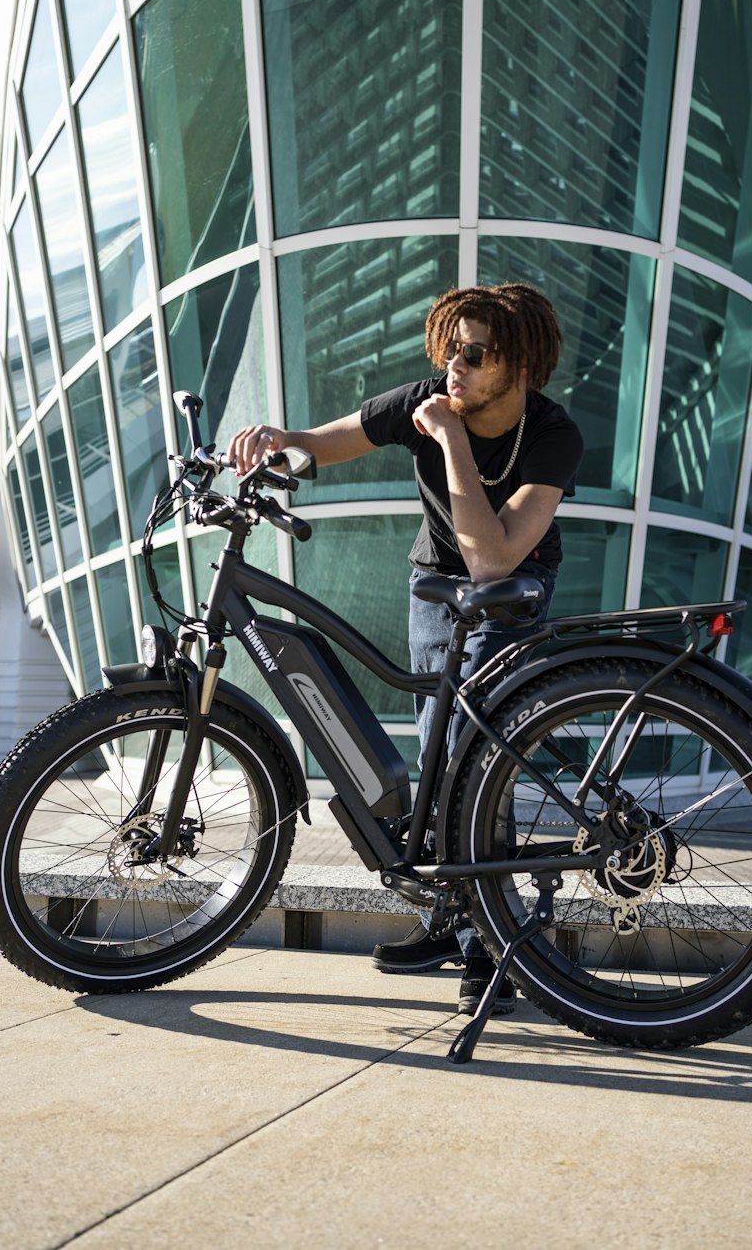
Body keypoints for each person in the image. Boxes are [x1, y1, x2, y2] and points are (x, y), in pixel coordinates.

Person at [228, 282, 583, 1016]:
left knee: (477, 761)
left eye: (475, 353)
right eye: (451, 346)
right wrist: (278, 438)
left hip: (510, 589)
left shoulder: (552, 435)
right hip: (434, 591)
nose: (455, 365)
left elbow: (494, 559)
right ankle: (451, 916)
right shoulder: (425, 396)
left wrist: (449, 438)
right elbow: (331, 440)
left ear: (518, 366)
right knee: (437, 752)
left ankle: (491, 947)